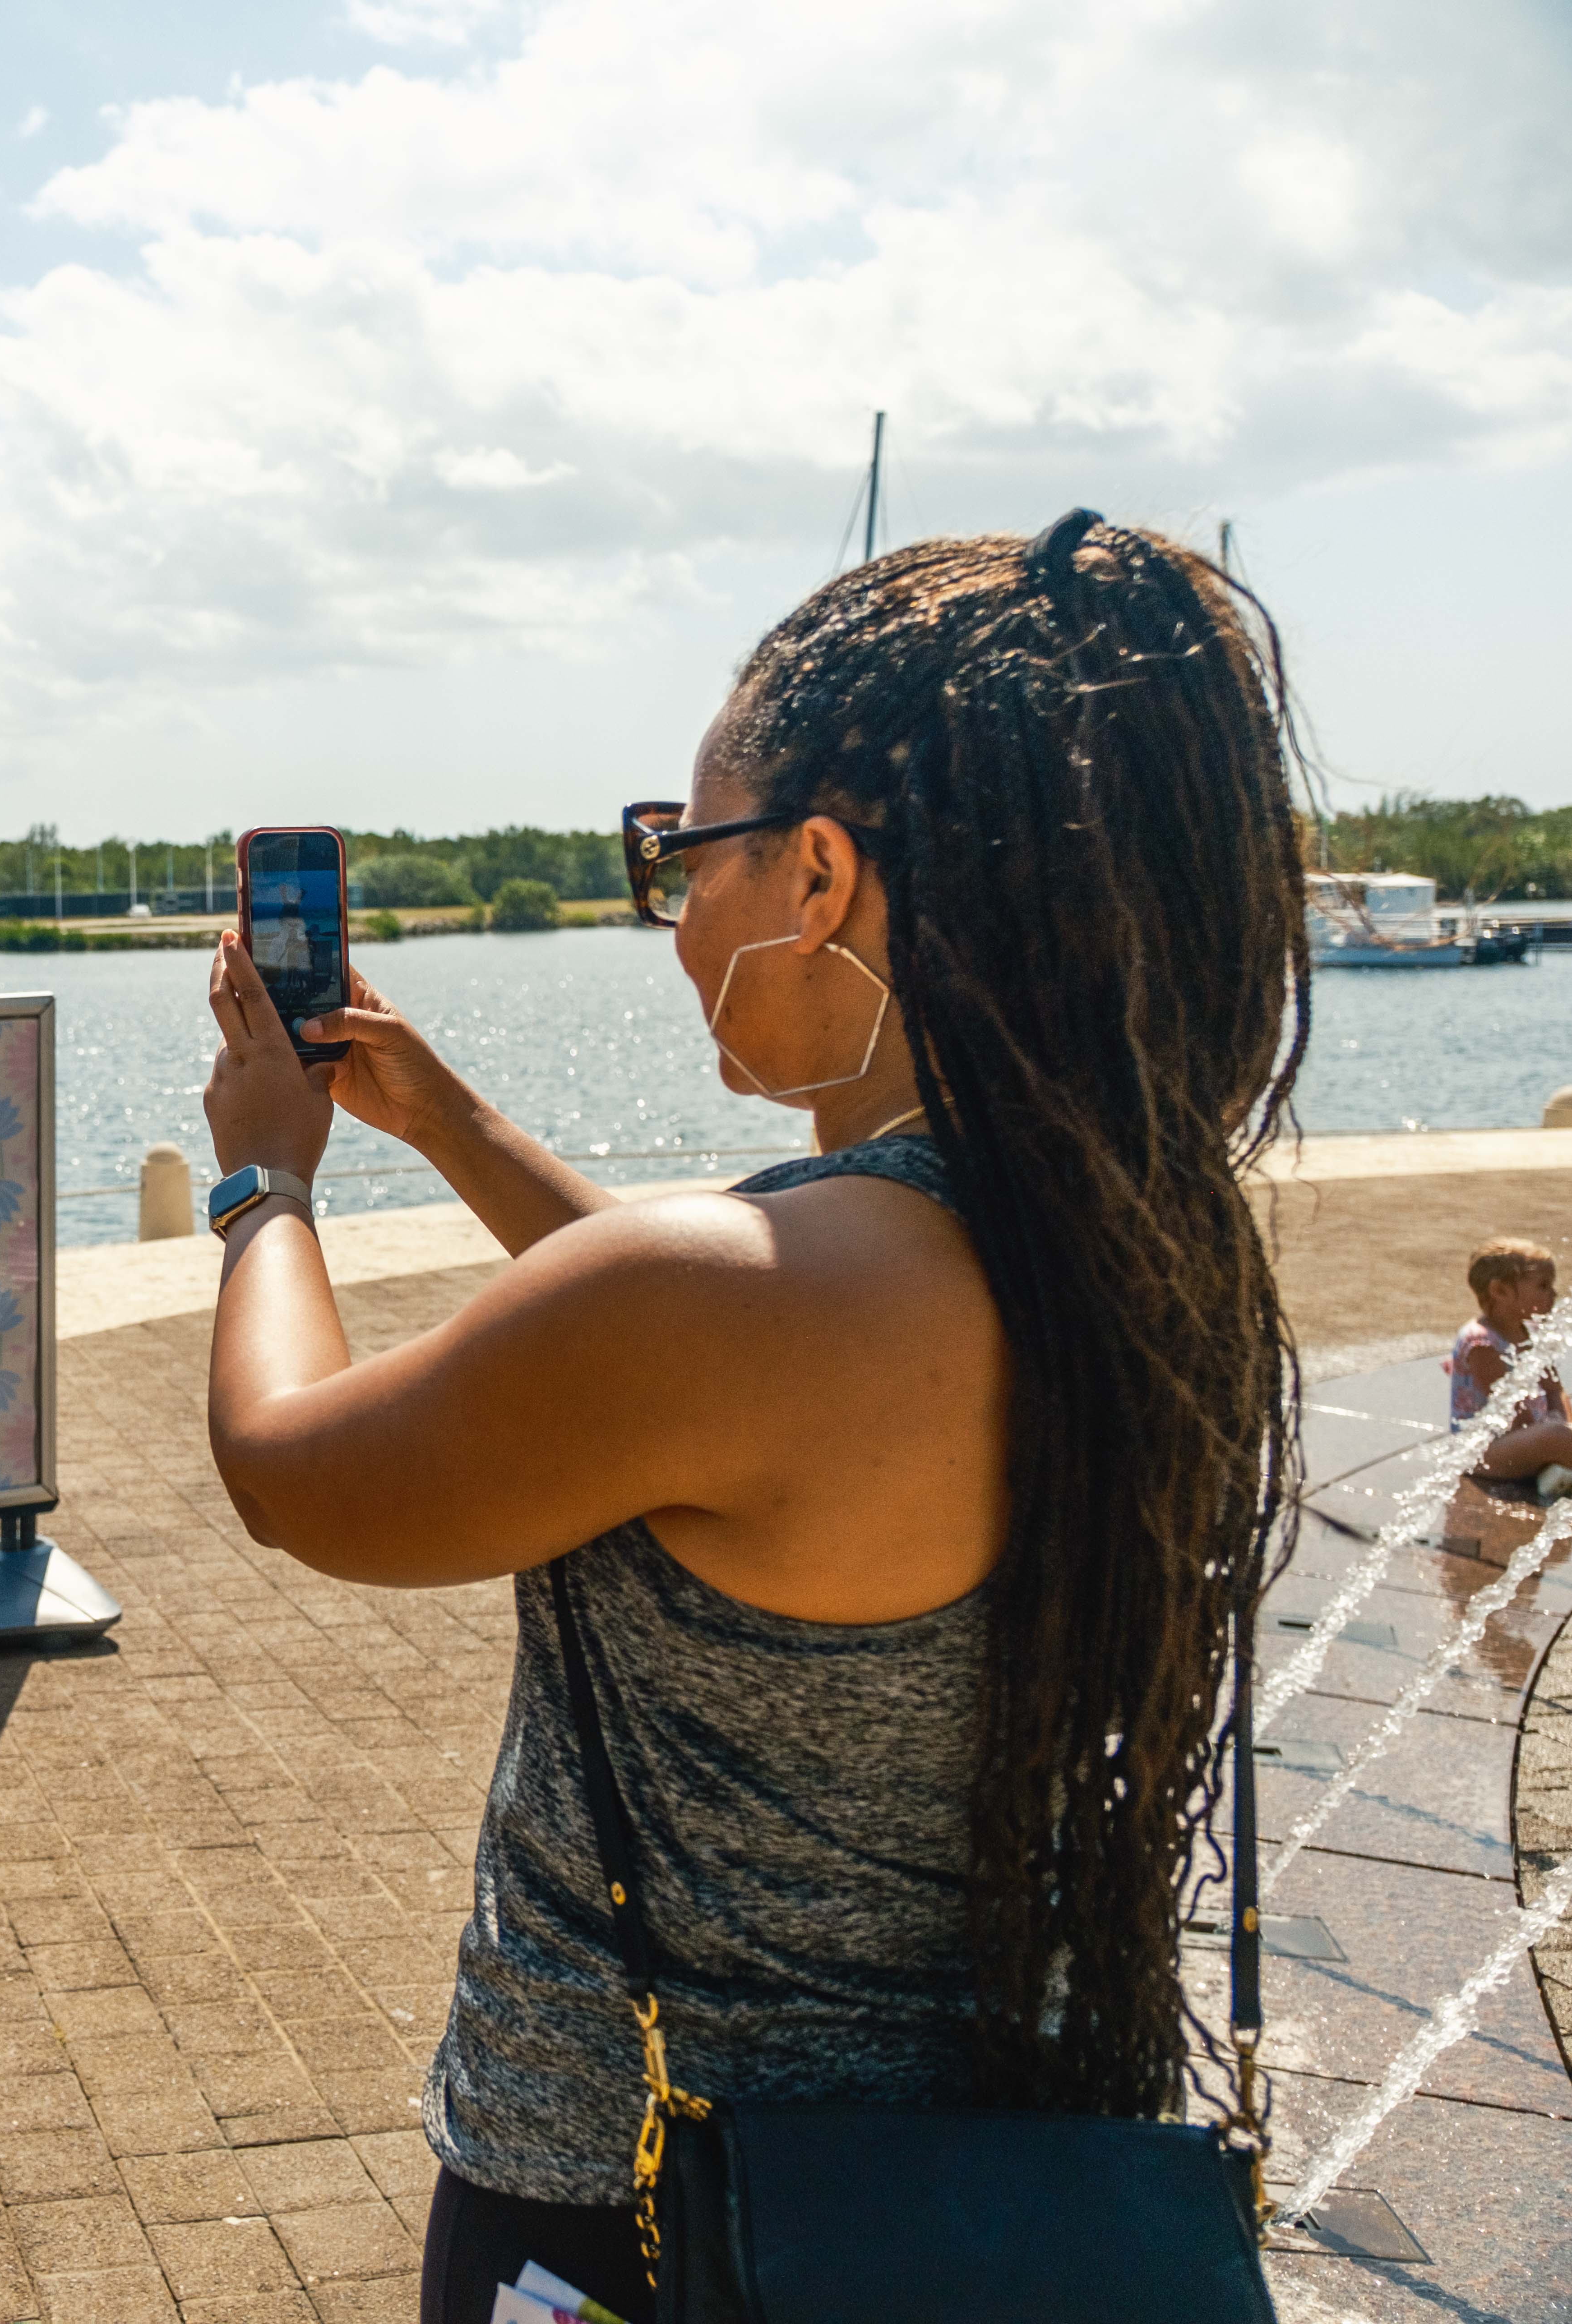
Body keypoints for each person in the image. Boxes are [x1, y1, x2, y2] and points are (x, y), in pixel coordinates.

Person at [199, 514, 1304, 2319]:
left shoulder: (737, 1303)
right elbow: (712, 1396)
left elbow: (297, 1469)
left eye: (681, 851)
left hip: (656, 2210)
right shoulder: (1141, 1241)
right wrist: (455, 1128)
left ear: (813, 874)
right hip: (1015, 2185)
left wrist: (269, 1183)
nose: (676, 910)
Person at [1451, 1237, 1572, 1488]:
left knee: (1567, 1433)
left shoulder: (1528, 1331)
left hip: (1538, 1430)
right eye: (1544, 1286)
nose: (1554, 1294)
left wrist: (1571, 1428)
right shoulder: (1482, 1344)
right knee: (1561, 1437)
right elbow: (1513, 1415)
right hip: (1488, 1453)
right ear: (1500, 1291)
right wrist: (1567, 1436)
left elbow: (1555, 1389)